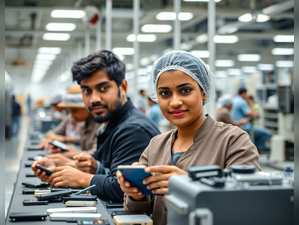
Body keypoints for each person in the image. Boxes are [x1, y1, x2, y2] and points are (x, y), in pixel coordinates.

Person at [116, 50, 261, 225]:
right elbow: (138, 214)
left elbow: (250, 207)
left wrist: (189, 186)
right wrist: (135, 196)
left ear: (204, 92)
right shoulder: (156, 145)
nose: (175, 102)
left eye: (185, 90)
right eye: (164, 93)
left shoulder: (233, 140)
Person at [32, 50, 160, 203]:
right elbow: (105, 167)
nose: (94, 99)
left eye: (103, 88)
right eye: (87, 91)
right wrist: (63, 166)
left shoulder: (133, 129)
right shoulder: (110, 123)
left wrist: (81, 179)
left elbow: (125, 188)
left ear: (123, 87)